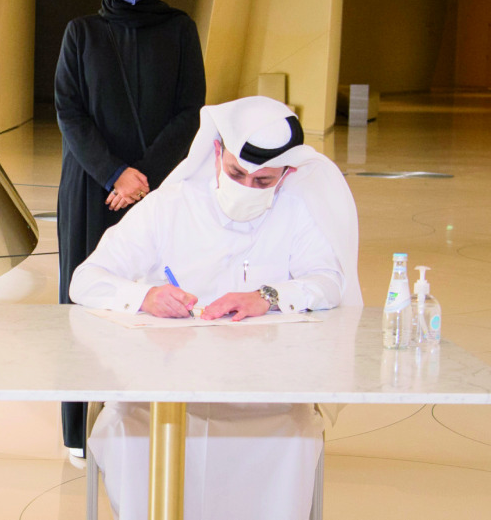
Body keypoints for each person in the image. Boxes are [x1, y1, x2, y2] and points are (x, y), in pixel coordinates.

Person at [69, 96, 358, 520]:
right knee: (127, 435)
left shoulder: (297, 212)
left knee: (293, 439)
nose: (247, 188)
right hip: (159, 391)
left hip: (264, 397)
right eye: (237, 173)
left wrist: (268, 296)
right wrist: (145, 297)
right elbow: (86, 280)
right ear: (218, 152)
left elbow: (329, 282)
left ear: (287, 173)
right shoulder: (168, 206)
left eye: (263, 182)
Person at [54, 0, 205, 458]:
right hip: (92, 187)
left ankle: (149, 414)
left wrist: (143, 175)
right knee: (82, 298)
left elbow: (191, 110)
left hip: (159, 189)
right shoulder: (83, 32)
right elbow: (68, 111)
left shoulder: (179, 28)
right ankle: (76, 428)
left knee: (157, 295)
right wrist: (115, 173)